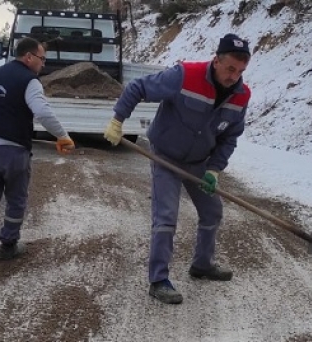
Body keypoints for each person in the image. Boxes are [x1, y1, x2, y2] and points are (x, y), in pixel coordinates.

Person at [103, 33, 252, 304]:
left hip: (199, 163)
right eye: (230, 68)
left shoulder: (241, 96)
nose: (234, 76)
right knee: (166, 217)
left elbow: (230, 137)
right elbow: (138, 87)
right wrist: (117, 120)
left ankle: (202, 265)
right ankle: (158, 280)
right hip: (166, 158)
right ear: (216, 60)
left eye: (241, 71)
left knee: (212, 212)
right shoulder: (185, 76)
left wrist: (215, 170)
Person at [0, 37, 75, 274]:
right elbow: (42, 112)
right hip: (13, 149)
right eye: (41, 58)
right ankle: (8, 245)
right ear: (28, 57)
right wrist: (62, 136)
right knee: (16, 197)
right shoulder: (30, 81)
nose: (43, 64)